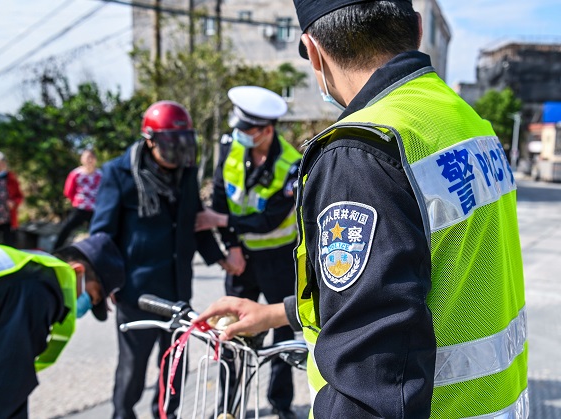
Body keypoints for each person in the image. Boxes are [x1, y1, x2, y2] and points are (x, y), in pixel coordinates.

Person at [195, 1, 528, 418]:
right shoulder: (465, 120)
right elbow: (426, 275)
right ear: (418, 29)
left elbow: (371, 375)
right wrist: (274, 313)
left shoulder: (364, 151)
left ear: (313, 51)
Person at [89, 100, 230, 419]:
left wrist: (221, 258)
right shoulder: (118, 174)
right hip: (136, 290)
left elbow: (194, 221)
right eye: (171, 143)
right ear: (149, 139)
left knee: (175, 364)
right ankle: (122, 414)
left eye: (184, 143)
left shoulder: (186, 171)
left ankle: (166, 415)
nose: (179, 151)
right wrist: (104, 279)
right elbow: (102, 235)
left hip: (177, 286)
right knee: (132, 368)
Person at [195, 86, 301, 419]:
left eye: (246, 129)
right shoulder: (230, 149)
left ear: (267, 130)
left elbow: (270, 219)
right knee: (232, 331)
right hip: (243, 262)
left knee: (281, 332)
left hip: (279, 260)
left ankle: (280, 405)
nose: (237, 133)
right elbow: (220, 199)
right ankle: (228, 407)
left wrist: (222, 220)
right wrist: (234, 247)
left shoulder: (291, 166)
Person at [0, 232, 125, 419]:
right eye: (91, 296)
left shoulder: (22, 270)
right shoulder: (38, 290)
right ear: (77, 271)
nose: (86, 306)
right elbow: (7, 383)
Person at [53, 149, 102, 250]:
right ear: (82, 159)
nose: (89, 160)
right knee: (67, 228)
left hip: (95, 208)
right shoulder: (76, 173)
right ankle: (56, 249)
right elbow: (68, 191)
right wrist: (76, 201)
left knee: (96, 231)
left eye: (91, 158)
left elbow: (104, 190)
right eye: (87, 158)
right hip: (80, 206)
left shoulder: (100, 174)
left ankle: (96, 252)